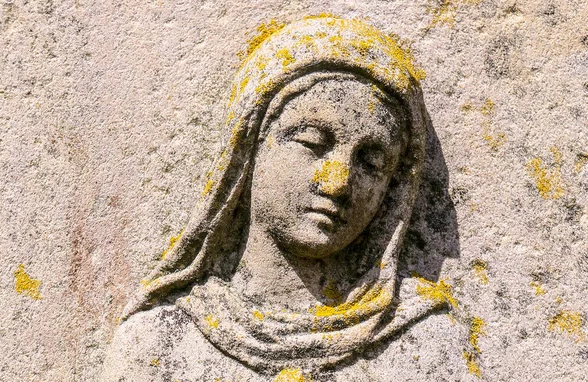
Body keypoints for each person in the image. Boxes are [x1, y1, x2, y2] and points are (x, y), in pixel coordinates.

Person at [103, 15, 468, 381]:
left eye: (371, 163)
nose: (339, 183)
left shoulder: (423, 345)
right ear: (251, 144)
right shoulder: (159, 346)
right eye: (312, 142)